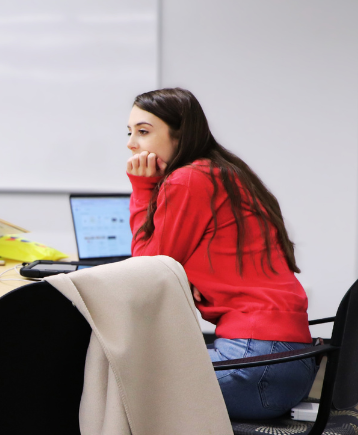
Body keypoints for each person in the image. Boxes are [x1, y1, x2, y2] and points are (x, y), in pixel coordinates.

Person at [125, 87, 316, 419]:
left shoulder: (187, 180)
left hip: (257, 365)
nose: (131, 143)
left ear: (180, 134)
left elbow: (147, 269)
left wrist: (143, 188)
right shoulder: (224, 172)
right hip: (286, 363)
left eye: (143, 132)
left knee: (124, 385)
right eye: (129, 133)